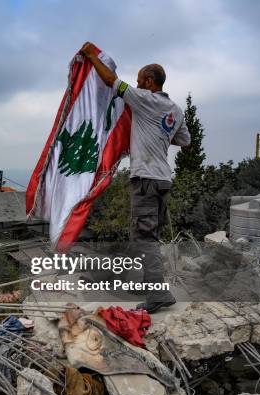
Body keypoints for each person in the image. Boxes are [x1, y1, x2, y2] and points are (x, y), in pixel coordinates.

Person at [80, 41, 191, 313]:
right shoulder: (175, 110)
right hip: (163, 179)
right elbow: (184, 139)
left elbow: (111, 81)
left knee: (145, 239)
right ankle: (134, 283)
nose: (138, 84)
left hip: (146, 180)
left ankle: (158, 295)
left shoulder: (146, 100)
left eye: (141, 80)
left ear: (151, 82)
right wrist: (160, 134)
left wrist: (91, 55)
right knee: (145, 235)